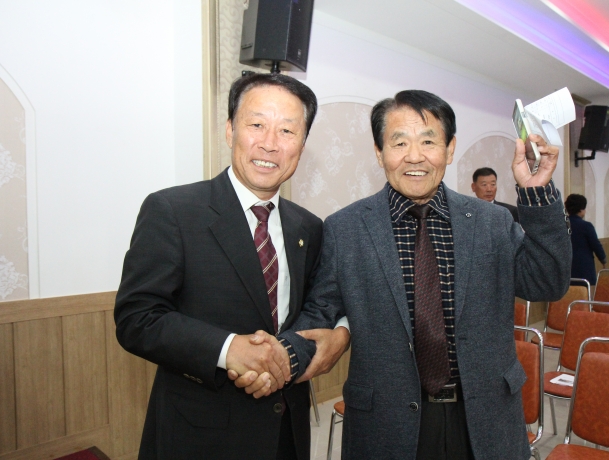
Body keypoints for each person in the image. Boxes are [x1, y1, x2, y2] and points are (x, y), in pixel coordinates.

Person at [249, 89, 570, 459]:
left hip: (484, 418)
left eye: (428, 141)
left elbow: (548, 283)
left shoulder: (492, 222)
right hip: (386, 423)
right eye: (399, 142)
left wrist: (537, 193)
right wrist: (283, 354)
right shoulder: (346, 228)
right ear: (379, 152)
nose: (414, 156)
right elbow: (321, 311)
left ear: (450, 149)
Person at [114, 73, 350, 460]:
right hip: (200, 435)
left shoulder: (308, 227)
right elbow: (137, 318)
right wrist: (228, 349)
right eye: (256, 124)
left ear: (302, 146)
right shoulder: (172, 210)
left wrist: (341, 333)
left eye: (287, 130)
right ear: (230, 130)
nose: (270, 143)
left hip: (286, 432)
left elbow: (320, 303)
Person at [565, 193, 606, 285]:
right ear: (581, 210)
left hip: (565, 268)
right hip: (583, 268)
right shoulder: (586, 226)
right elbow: (596, 245)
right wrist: (603, 259)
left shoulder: (561, 226)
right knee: (584, 291)